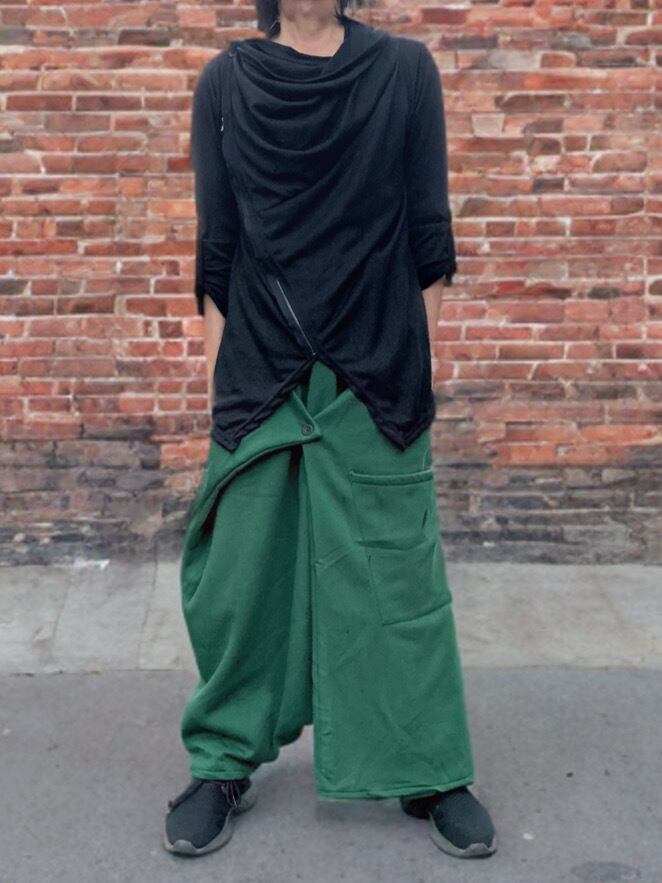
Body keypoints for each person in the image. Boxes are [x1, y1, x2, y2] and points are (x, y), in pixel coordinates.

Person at [163, 0, 497, 861]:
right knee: (239, 579)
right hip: (261, 368)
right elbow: (218, 244)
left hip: (375, 367)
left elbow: (428, 234)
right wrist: (220, 382)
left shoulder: (405, 72)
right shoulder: (226, 83)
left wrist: (410, 363)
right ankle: (222, 761)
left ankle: (428, 766)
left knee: (398, 581)